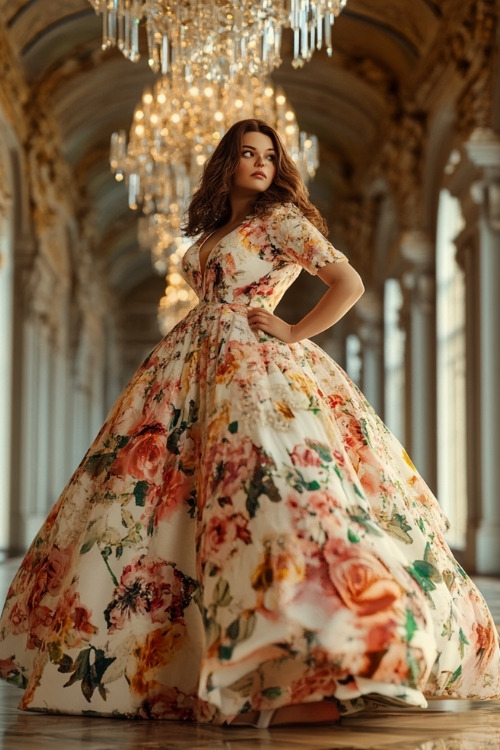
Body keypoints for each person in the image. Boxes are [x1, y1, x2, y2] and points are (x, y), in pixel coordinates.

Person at [0, 119, 499, 729]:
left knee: (266, 494)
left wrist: (290, 330)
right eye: (247, 153)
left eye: (269, 154)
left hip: (255, 367)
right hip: (190, 366)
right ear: (226, 163)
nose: (261, 163)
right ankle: (182, 665)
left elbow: (349, 283)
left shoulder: (282, 220)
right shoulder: (215, 230)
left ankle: (297, 662)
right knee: (170, 505)